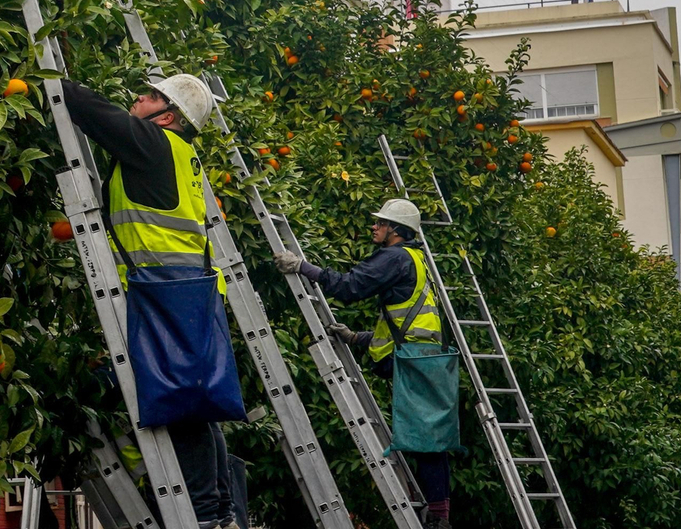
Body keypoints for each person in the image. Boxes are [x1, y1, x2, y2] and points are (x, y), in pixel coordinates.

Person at [64, 75, 243, 529]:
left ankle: (203, 515)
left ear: (167, 115)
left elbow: (91, 109)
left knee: (184, 407)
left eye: (147, 96)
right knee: (196, 404)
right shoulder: (178, 153)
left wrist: (49, 77)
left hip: (166, 290)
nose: (136, 100)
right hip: (188, 289)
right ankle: (218, 511)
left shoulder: (155, 143)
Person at [274, 199, 452, 529]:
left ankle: (439, 519)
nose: (375, 227)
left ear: (396, 231)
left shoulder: (394, 257)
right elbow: (406, 325)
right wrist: (358, 338)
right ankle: (439, 513)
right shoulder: (415, 258)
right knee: (430, 439)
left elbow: (349, 288)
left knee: (427, 442)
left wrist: (302, 266)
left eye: (381, 224)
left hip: (412, 363)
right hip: (425, 359)